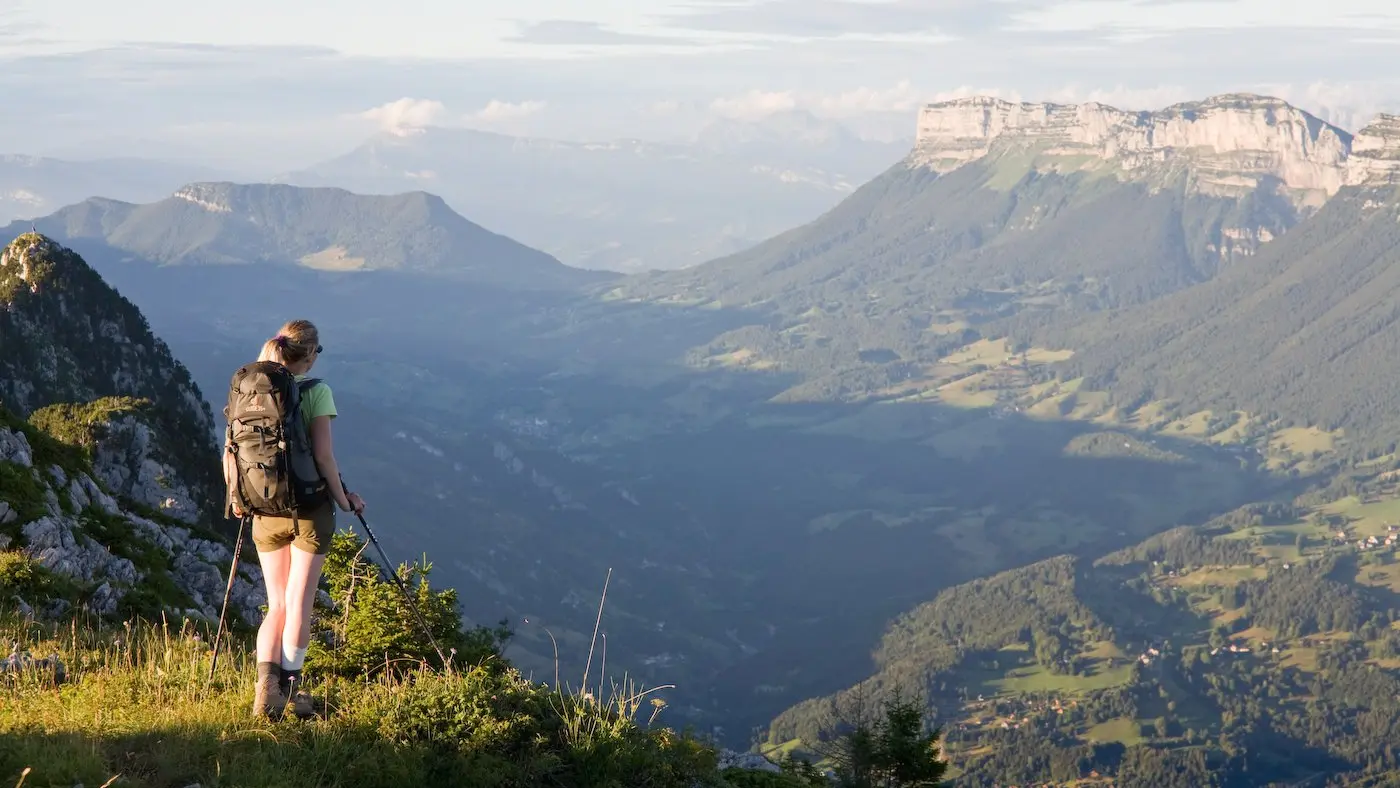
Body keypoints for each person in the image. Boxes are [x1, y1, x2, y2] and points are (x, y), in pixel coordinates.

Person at [238, 319, 366, 719]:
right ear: (309, 355)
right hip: (309, 512)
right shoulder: (316, 391)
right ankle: (292, 694)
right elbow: (324, 457)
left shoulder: (249, 388)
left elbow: (232, 450)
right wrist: (344, 500)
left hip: (263, 509)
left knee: (276, 604)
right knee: (299, 605)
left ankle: (265, 692)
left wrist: (237, 497)